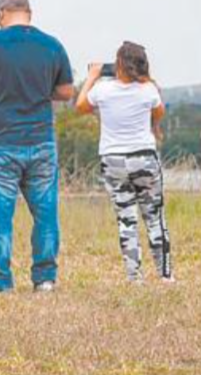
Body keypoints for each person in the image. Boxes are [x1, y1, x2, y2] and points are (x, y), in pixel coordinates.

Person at [0, 0, 74, 293]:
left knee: (0, 217)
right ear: (29, 13)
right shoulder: (51, 45)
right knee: (46, 213)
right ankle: (45, 279)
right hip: (41, 141)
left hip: (0, 142)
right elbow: (65, 92)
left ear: (0, 13)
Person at [76, 42, 173, 283]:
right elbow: (159, 112)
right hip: (144, 158)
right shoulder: (149, 89)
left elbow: (80, 106)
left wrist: (92, 76)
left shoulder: (103, 90)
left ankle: (134, 277)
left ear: (118, 64)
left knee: (126, 219)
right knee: (154, 217)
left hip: (113, 160)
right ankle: (165, 274)